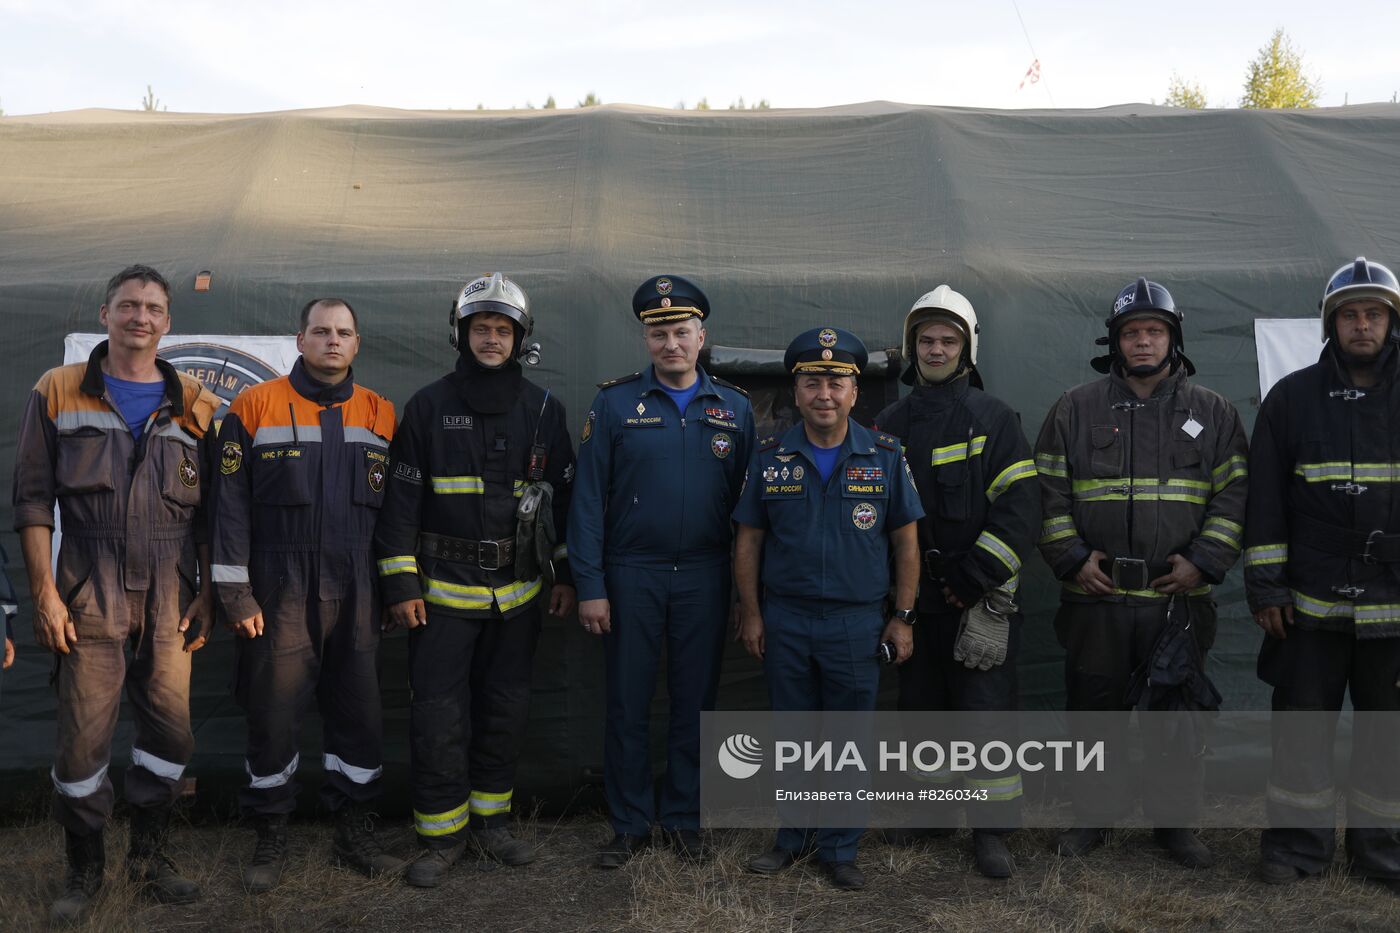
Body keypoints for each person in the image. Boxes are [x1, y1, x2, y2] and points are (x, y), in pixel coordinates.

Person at [12, 265, 219, 923]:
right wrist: (44, 592)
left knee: (171, 734)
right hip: (87, 587)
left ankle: (149, 859)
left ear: (168, 322)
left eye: (153, 308)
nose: (140, 317)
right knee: (81, 744)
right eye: (129, 305)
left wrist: (208, 593)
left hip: (171, 591)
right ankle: (84, 869)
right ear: (105, 314)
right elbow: (32, 501)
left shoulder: (196, 401)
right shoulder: (57, 389)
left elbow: (212, 515)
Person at [1034, 277, 1247, 868]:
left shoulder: (1214, 413)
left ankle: (1174, 826)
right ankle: (1092, 817)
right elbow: (1047, 493)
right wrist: (1073, 559)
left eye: (1155, 330)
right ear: (1116, 341)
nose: (1144, 341)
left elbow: (1235, 498)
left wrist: (1202, 561)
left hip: (1177, 601)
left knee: (1175, 721)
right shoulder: (1074, 408)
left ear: (1173, 339)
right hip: (1095, 599)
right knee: (1093, 715)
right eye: (1132, 332)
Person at [375, 273, 576, 887]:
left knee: (504, 710)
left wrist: (564, 576)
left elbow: (564, 503)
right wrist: (401, 586)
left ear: (520, 340)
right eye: (481, 328)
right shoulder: (428, 407)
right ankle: (441, 837)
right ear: (460, 335)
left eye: (503, 331)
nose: (492, 339)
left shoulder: (545, 409)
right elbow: (400, 506)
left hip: (518, 596)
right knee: (438, 717)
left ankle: (492, 825)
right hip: (440, 597)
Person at [211, 298, 401, 891]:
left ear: (357, 342)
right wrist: (235, 593)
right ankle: (270, 835)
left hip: (359, 589)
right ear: (300, 340)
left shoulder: (381, 413)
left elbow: (396, 514)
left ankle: (355, 832)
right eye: (321, 331)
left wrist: (394, 588)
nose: (332, 341)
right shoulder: (253, 406)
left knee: (361, 716)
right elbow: (228, 507)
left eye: (343, 332)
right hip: (280, 586)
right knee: (272, 715)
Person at [569, 274, 755, 867]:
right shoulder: (614, 404)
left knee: (696, 703)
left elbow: (750, 514)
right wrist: (591, 586)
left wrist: (744, 595)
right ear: (645, 339)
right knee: (627, 703)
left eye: (681, 332)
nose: (670, 344)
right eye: (658, 334)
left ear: (702, 336)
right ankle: (629, 824)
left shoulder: (735, 408)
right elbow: (587, 501)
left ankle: (683, 819)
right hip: (632, 575)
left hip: (706, 576)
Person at [735, 326, 923, 890]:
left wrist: (903, 618)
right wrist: (752, 613)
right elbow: (748, 542)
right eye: (812, 382)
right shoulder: (769, 458)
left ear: (854, 393)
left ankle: (840, 848)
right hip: (786, 619)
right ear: (795, 393)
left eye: (836, 383)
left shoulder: (885, 456)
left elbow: (906, 545)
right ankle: (792, 839)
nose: (824, 394)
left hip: (856, 622)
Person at [872, 286, 1040, 878]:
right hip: (915, 602)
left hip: (977, 599)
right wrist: (897, 596)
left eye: (948, 340)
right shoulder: (888, 424)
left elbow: (1020, 511)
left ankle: (992, 831)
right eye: (926, 340)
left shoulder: (994, 419)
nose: (936, 350)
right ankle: (934, 814)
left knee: (985, 716)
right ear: (911, 347)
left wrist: (974, 580)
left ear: (967, 349)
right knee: (922, 711)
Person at [1245, 257, 1400, 894]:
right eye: (1350, 315)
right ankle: (1295, 848)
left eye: (1374, 314)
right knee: (1301, 732)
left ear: (1391, 322)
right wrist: (1266, 587)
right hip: (1308, 605)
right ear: (1331, 325)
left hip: (1395, 606)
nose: (1362, 325)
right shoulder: (1291, 399)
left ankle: (1383, 852)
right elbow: (1264, 502)